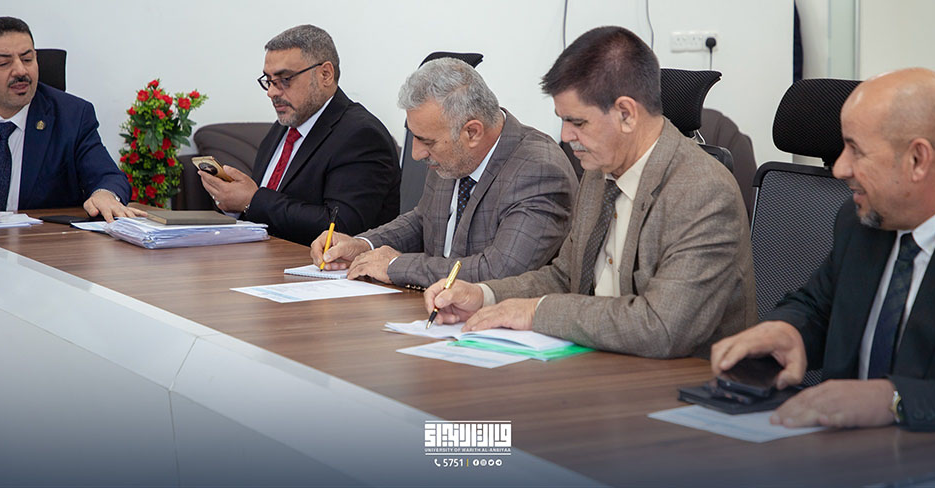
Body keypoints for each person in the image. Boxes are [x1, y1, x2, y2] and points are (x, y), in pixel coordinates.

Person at [424, 26, 754, 358]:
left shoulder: (702, 191)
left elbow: (662, 327)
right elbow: (565, 276)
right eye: (562, 120)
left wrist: (536, 312)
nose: (566, 136)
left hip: (680, 379)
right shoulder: (599, 171)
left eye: (577, 122)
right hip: (599, 363)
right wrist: (485, 295)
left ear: (626, 114)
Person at [711, 68, 935, 432]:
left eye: (856, 150)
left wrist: (892, 399)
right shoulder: (860, 223)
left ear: (917, 160)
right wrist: (788, 331)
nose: (839, 168)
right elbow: (819, 306)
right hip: (837, 446)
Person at [310, 58, 578, 289]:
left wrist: (396, 266)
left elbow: (499, 271)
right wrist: (364, 245)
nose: (416, 154)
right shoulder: (453, 155)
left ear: (472, 132)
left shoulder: (539, 171)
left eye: (426, 141)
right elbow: (424, 221)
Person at [199, 24, 400, 245]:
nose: (272, 92)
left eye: (285, 79)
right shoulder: (284, 126)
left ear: (325, 74)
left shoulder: (361, 135)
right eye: (268, 81)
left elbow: (341, 227)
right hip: (263, 257)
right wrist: (233, 202)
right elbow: (262, 210)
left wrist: (252, 200)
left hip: (317, 265)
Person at [0, 16, 134, 220]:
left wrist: (105, 194)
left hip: (40, 238)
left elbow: (107, 176)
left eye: (28, 59)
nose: (21, 71)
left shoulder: (72, 116)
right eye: (4, 63)